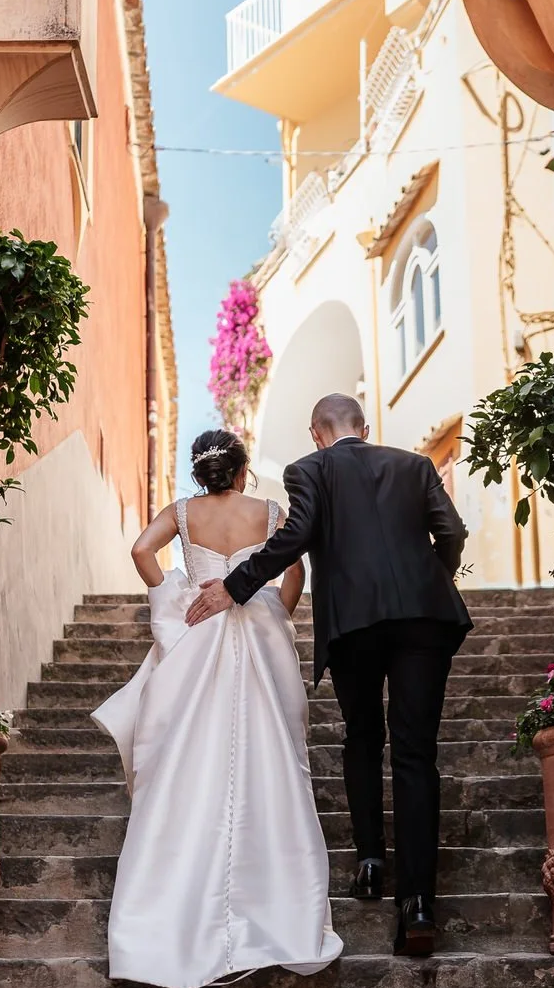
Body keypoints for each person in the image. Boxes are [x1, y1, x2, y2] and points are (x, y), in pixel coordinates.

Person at [185, 394, 471, 956]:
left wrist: (235, 586)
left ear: (316, 432)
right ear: (365, 427)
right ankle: (417, 905)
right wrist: (431, 580)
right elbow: (453, 532)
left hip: (355, 625)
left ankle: (369, 863)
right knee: (416, 754)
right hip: (424, 621)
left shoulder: (308, 469)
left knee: (363, 737)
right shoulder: (414, 466)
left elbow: (295, 538)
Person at [93, 429, 343, 988]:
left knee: (191, 752)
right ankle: (276, 906)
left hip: (200, 625)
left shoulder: (182, 511)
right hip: (258, 626)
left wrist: (173, 594)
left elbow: (140, 550)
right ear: (241, 467)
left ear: (200, 470)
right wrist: (278, 609)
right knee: (271, 750)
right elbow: (295, 569)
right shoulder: (271, 509)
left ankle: (170, 913)